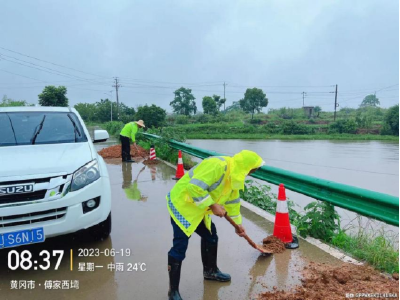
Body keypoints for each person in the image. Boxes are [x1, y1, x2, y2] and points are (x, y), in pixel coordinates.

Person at [166, 150, 265, 300]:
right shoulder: (217, 165)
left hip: (199, 208)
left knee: (211, 237)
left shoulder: (235, 174)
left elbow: (232, 202)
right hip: (183, 206)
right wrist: (212, 205)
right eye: (250, 171)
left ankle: (210, 271)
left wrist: (238, 225)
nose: (249, 174)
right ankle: (173, 291)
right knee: (180, 246)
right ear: (244, 167)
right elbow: (194, 187)